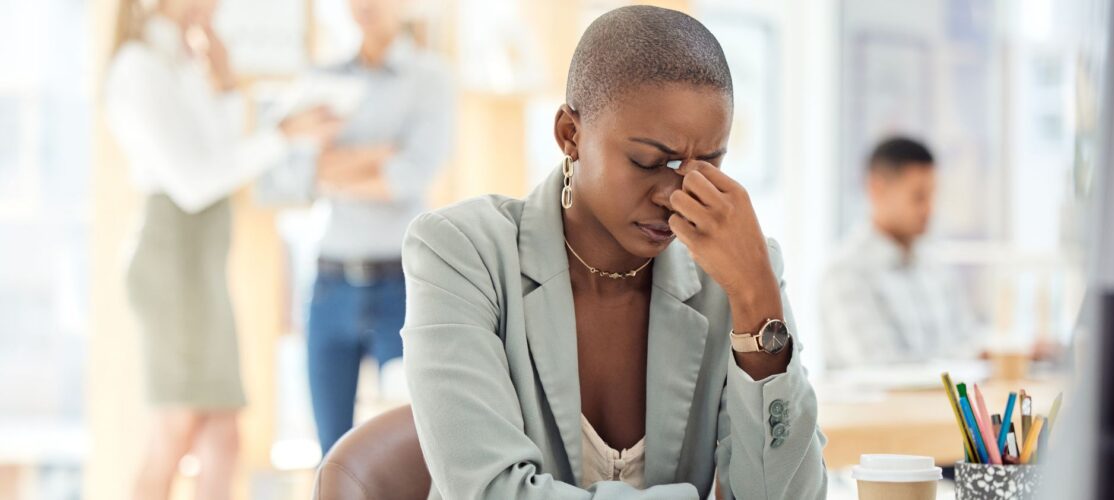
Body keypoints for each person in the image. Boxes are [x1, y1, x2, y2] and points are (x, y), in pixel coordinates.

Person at [399, 6, 826, 499]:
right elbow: (490, 492)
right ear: (570, 135)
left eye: (708, 163)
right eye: (649, 162)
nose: (677, 194)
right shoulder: (460, 253)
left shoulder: (735, 273)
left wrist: (757, 301)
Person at [104, 0, 337, 499]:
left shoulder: (180, 63)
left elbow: (221, 153)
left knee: (224, 434)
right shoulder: (137, 67)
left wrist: (226, 79)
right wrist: (283, 136)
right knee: (175, 427)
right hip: (172, 260)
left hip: (202, 261)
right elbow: (194, 181)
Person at [257, 0, 454, 454]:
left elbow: (410, 176)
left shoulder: (431, 79)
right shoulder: (321, 80)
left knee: (409, 448)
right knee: (332, 454)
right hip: (329, 285)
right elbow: (293, 176)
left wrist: (332, 168)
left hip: (402, 286)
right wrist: (378, 153)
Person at [819, 137, 980, 371]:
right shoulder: (845, 272)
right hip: (884, 408)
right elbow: (876, 367)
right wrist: (967, 359)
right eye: (918, 196)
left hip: (941, 406)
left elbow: (967, 339)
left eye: (933, 195)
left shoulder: (934, 266)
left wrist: (993, 354)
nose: (929, 209)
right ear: (877, 189)